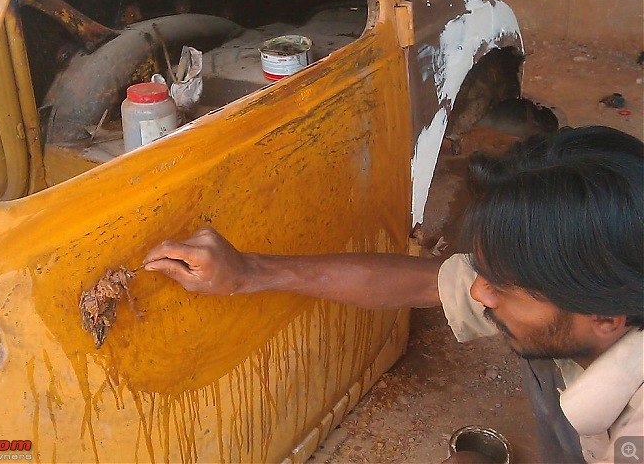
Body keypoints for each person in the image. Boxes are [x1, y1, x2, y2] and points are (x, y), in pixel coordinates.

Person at [143, 126, 643, 464]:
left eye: (504, 286)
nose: (477, 291)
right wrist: (249, 272)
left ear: (606, 315)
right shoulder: (588, 283)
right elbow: (423, 282)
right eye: (485, 270)